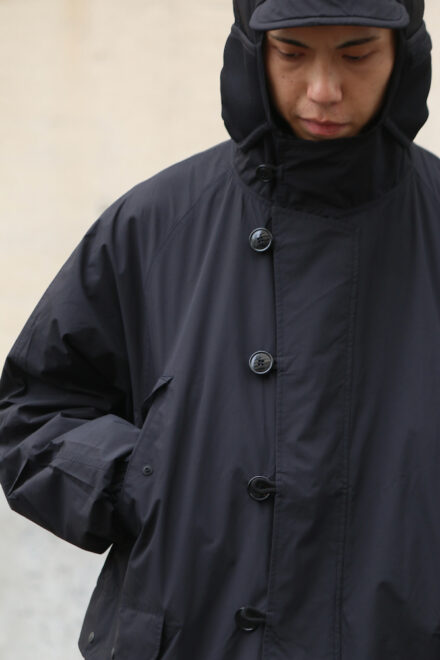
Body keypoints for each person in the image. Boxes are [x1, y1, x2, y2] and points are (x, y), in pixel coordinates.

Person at [0, 0, 438, 658]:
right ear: (253, 50)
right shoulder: (155, 223)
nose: (324, 89)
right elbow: (31, 411)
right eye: (292, 53)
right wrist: (140, 478)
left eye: (356, 54)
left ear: (403, 53)